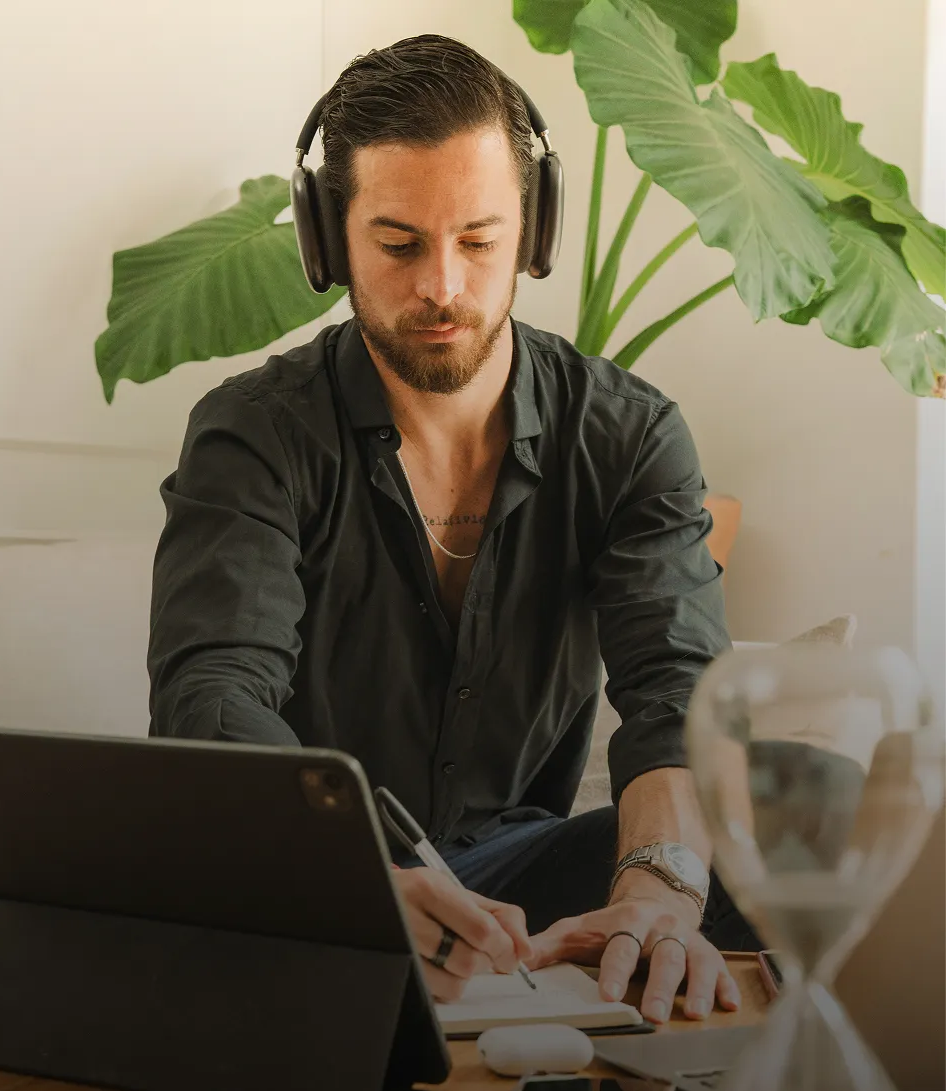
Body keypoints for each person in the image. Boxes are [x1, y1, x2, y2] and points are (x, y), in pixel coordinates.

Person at [148, 34, 758, 1026]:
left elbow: (673, 691)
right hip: (307, 881)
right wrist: (353, 884)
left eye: (478, 240)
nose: (442, 286)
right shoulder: (253, 430)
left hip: (516, 875)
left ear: (533, 230)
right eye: (398, 244)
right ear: (326, 238)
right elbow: (213, 694)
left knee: (806, 808)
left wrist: (655, 891)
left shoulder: (630, 431)